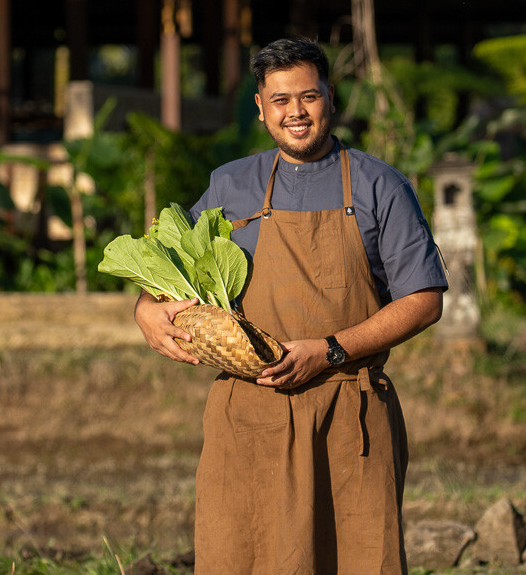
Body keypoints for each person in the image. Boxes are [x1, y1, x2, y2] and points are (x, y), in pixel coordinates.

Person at [134, 37, 448, 575]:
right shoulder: (229, 185)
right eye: (280, 100)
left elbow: (423, 300)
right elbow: (169, 263)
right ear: (260, 108)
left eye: (308, 97)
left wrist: (329, 350)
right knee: (244, 556)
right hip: (248, 415)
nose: (296, 113)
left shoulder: (381, 186)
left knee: (355, 558)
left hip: (349, 413)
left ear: (331, 96)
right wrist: (145, 308)